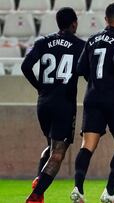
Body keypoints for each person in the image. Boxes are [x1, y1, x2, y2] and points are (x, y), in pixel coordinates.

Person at [70, 3, 114, 203]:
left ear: (106, 19)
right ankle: (109, 193)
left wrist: (96, 83)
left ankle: (78, 190)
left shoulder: (91, 40)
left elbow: (80, 68)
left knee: (88, 145)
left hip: (92, 98)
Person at [22, 7, 85, 203]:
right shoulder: (80, 45)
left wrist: (39, 87)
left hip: (44, 103)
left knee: (51, 147)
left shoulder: (43, 42)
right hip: (63, 104)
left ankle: (39, 182)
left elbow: (25, 66)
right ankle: (35, 195)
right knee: (58, 153)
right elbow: (87, 72)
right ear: (74, 23)